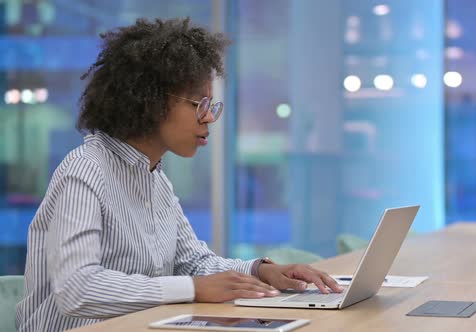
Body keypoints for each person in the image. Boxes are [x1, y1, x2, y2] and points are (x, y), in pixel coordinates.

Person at [15, 17, 342, 332]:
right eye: (199, 104)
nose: (209, 119)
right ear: (149, 100)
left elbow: (194, 264)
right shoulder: (85, 170)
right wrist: (192, 288)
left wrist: (261, 270)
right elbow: (78, 288)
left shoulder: (154, 176)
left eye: (212, 107)